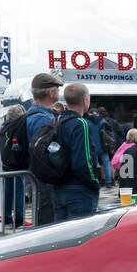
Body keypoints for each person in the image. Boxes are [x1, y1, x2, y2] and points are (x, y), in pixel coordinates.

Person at [53, 82, 105, 221]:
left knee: (62, 238)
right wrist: (94, 183)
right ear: (85, 100)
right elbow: (82, 162)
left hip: (58, 187)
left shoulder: (57, 120)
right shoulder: (80, 124)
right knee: (82, 237)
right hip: (79, 189)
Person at [24, 72, 62, 227]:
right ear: (51, 93)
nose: (59, 93)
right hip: (45, 177)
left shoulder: (33, 115)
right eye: (57, 90)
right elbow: (46, 151)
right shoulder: (42, 119)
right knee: (48, 217)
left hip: (37, 175)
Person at [2, 105, 27, 229]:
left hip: (6, 164)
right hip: (17, 164)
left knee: (8, 192)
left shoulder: (4, 127)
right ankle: (19, 220)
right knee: (19, 191)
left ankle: (6, 220)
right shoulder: (19, 126)